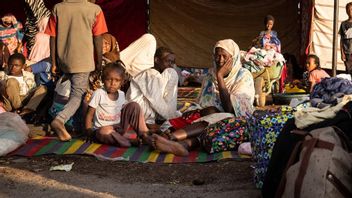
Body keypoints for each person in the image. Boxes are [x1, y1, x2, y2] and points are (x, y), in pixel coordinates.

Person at [151, 39, 255, 156]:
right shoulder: (210, 75)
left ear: (233, 57)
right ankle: (181, 145)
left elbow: (231, 109)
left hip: (234, 122)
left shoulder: (244, 76)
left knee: (222, 117)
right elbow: (202, 103)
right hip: (208, 120)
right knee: (202, 115)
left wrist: (220, 77)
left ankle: (171, 138)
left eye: (224, 56)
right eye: (217, 56)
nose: (220, 60)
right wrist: (197, 110)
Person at [45, 0, 108, 141]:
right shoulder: (95, 10)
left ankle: (76, 127)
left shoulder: (58, 8)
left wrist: (54, 62)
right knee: (78, 95)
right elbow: (98, 37)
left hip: (64, 60)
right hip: (83, 60)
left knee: (74, 92)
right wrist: (99, 62)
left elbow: (52, 37)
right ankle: (60, 120)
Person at [85, 61, 150, 147]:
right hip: (102, 130)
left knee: (134, 105)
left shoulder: (122, 94)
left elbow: (123, 112)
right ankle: (129, 141)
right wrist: (89, 132)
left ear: (122, 82)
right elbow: (89, 115)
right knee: (104, 132)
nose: (113, 83)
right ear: (103, 79)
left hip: (118, 128)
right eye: (109, 79)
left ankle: (144, 135)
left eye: (117, 80)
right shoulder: (99, 93)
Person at [122, 34, 180, 124]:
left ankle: (167, 116)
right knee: (172, 73)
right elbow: (156, 102)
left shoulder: (160, 75)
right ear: (157, 60)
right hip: (138, 114)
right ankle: (167, 117)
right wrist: (173, 118)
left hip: (149, 114)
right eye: (168, 61)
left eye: (173, 62)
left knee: (172, 73)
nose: (171, 65)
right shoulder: (150, 74)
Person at [339, 2, 352, 76]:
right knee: (348, 71)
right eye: (348, 9)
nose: (350, 11)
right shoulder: (343, 24)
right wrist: (342, 53)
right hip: (347, 52)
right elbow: (342, 39)